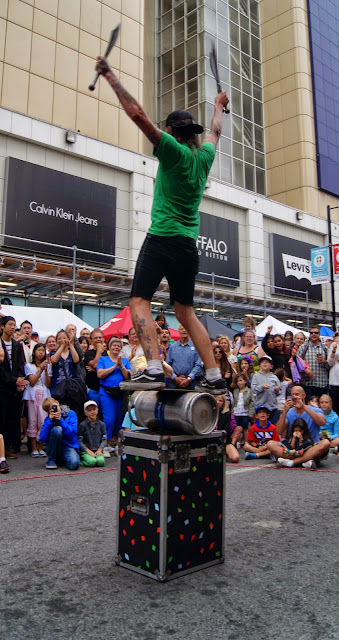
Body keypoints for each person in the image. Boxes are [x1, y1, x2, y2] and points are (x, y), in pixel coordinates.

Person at [95, 54, 229, 393]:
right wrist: (218, 104)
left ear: (171, 132)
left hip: (162, 238)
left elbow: (138, 115)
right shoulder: (204, 157)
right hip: (188, 245)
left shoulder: (172, 151)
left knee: (139, 301)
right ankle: (213, 375)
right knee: (185, 311)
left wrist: (110, 76)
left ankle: (153, 367)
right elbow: (215, 131)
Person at [268, 385, 330, 468]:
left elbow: (322, 422)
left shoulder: (315, 409)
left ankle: (293, 462)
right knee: (270, 444)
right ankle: (305, 460)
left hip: (311, 446)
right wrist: (284, 412)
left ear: (304, 396)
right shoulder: (290, 412)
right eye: (292, 395)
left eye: (297, 394)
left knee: (325, 443)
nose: (294, 397)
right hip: (293, 448)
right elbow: (279, 431)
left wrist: (304, 407)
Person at [0, 316, 28, 456]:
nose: (12, 327)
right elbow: (1, 369)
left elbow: (21, 365)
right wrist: (13, 380)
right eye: (10, 324)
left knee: (14, 417)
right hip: (3, 387)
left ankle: (12, 446)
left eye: (14, 325)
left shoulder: (17, 345)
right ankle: (2, 448)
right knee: (2, 418)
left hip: (16, 388)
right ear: (2, 327)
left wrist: (20, 381)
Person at [97, 337, 131, 443]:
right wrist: (114, 366)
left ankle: (117, 442)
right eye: (114, 345)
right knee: (109, 419)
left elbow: (128, 376)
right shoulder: (103, 359)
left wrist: (121, 366)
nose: (116, 347)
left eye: (118, 346)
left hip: (120, 393)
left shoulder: (124, 361)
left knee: (119, 419)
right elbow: (100, 374)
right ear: (110, 347)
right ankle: (105, 443)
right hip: (107, 393)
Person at [23, 343, 51, 457]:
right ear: (34, 352)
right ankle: (33, 447)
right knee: (33, 420)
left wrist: (46, 370)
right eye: (39, 350)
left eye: (43, 351)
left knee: (43, 420)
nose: (41, 352)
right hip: (32, 395)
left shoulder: (48, 365)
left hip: (44, 394)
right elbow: (32, 382)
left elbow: (48, 383)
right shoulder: (29, 366)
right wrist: (40, 369)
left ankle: (41, 447)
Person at [40, 398, 80, 470]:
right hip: (54, 447)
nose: (52, 410)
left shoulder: (71, 414)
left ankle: (62, 460)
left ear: (57, 403)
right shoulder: (48, 419)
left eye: (53, 407)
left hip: (68, 445)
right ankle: (52, 459)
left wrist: (61, 420)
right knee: (57, 429)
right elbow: (42, 438)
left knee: (74, 464)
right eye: (49, 410)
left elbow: (72, 435)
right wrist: (49, 422)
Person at [50, 329, 80, 412]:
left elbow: (76, 360)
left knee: (72, 409)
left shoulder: (71, 352)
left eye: (64, 338)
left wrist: (71, 345)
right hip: (58, 386)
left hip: (71, 386)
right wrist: (62, 346)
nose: (62, 340)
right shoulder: (53, 353)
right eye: (59, 338)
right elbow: (54, 360)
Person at [297, 326, 329, 401]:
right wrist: (305, 370)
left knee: (321, 405)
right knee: (309, 405)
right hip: (307, 382)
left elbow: (330, 365)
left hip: (321, 382)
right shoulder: (303, 347)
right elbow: (297, 361)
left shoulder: (325, 348)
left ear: (319, 334)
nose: (313, 334)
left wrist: (324, 361)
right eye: (311, 333)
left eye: (316, 333)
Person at [166, 324, 203, 390]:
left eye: (186, 329)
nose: (184, 331)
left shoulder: (196, 347)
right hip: (174, 383)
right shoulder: (173, 347)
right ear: (178, 331)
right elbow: (168, 365)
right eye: (181, 329)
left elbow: (198, 365)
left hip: (191, 383)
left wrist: (189, 379)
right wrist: (175, 378)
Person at [251, 355, 281, 425]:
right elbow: (253, 389)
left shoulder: (274, 377)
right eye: (263, 362)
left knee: (274, 426)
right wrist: (261, 387)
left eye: (267, 362)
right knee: (261, 426)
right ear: (260, 366)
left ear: (271, 366)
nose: (265, 364)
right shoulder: (256, 376)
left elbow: (279, 391)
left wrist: (277, 389)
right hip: (260, 407)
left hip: (272, 407)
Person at [77, 400, 107, 467]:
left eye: (94, 409)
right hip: (87, 450)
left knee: (101, 462)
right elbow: (79, 440)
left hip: (97, 450)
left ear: (97, 410)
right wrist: (87, 450)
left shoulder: (101, 424)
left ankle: (95, 457)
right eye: (89, 410)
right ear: (85, 413)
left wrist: (100, 449)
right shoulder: (82, 425)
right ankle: (81, 461)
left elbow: (104, 439)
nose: (92, 412)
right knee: (92, 462)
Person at [84, 328, 108, 410]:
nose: (98, 339)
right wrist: (98, 352)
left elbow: (106, 368)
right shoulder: (88, 353)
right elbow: (94, 365)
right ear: (91, 340)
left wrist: (95, 370)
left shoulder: (107, 353)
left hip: (105, 389)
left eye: (100, 337)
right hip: (93, 389)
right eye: (96, 338)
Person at [215, 393, 240, 463]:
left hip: (224, 440)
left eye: (220, 400)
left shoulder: (227, 414)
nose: (218, 402)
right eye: (216, 400)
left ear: (223, 403)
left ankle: (226, 454)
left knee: (235, 458)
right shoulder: (208, 412)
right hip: (210, 440)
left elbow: (226, 430)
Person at [232, 373, 255, 443]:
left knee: (245, 427)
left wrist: (251, 413)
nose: (239, 383)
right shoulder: (235, 391)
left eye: (241, 380)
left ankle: (246, 441)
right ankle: (238, 441)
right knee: (237, 427)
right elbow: (233, 402)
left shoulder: (249, 391)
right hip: (236, 412)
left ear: (245, 381)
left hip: (245, 412)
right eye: (237, 381)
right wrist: (232, 411)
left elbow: (252, 402)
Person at [327, 334, 339, 414]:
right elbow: (330, 363)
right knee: (336, 405)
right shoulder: (333, 345)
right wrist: (334, 351)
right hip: (335, 380)